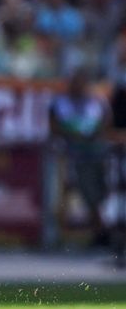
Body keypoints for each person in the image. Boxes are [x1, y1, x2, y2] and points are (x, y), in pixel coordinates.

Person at [49, 68, 112, 247]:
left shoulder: (97, 101)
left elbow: (107, 121)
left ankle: (105, 230)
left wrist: (95, 134)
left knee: (105, 193)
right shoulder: (60, 103)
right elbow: (54, 126)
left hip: (100, 153)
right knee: (90, 194)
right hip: (77, 156)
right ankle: (100, 231)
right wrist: (73, 135)